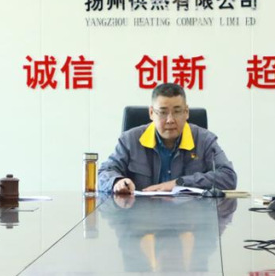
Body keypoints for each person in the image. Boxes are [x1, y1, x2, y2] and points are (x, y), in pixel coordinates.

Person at [98, 83, 237, 194]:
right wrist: (117, 182)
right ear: (151, 113)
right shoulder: (130, 140)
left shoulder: (204, 140)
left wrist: (179, 183)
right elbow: (104, 173)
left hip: (190, 216)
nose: (170, 120)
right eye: (163, 112)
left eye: (177, 112)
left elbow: (228, 177)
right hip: (141, 216)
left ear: (186, 112)